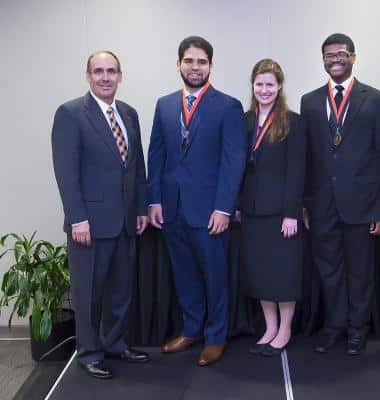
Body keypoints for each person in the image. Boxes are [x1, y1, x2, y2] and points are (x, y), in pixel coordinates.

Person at [147, 36, 246, 366]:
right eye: (189, 61)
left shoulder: (228, 106)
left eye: (201, 61)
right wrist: (154, 201)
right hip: (172, 209)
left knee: (215, 276)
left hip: (209, 212)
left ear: (211, 66)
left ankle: (215, 336)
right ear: (178, 64)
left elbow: (234, 162)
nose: (194, 67)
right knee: (184, 273)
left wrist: (223, 207)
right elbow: (156, 156)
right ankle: (191, 329)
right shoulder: (163, 105)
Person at [51, 51, 149, 379]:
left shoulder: (129, 114)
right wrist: (77, 218)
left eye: (111, 71)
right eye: (98, 71)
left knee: (121, 290)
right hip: (89, 226)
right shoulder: (71, 114)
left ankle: (115, 343)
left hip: (125, 223)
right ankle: (90, 352)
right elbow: (67, 173)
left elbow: (136, 168)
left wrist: (140, 209)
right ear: (88, 75)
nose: (105, 77)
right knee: (88, 293)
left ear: (120, 76)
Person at [300, 33, 380, 355]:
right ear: (323, 60)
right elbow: (308, 158)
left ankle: (357, 329)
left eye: (341, 54)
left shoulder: (376, 99)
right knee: (329, 270)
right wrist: (306, 204)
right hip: (322, 203)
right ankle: (334, 326)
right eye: (329, 55)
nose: (335, 59)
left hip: (362, 204)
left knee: (359, 272)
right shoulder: (309, 101)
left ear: (353, 57)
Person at [238, 59, 306, 356]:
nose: (264, 90)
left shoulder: (293, 121)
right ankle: (269, 327)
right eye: (259, 84)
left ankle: (286, 328)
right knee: (260, 272)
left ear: (279, 87)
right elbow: (236, 168)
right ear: (252, 86)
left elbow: (297, 170)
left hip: (281, 213)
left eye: (270, 84)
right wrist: (238, 205)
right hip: (252, 211)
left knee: (283, 273)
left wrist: (292, 212)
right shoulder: (243, 120)